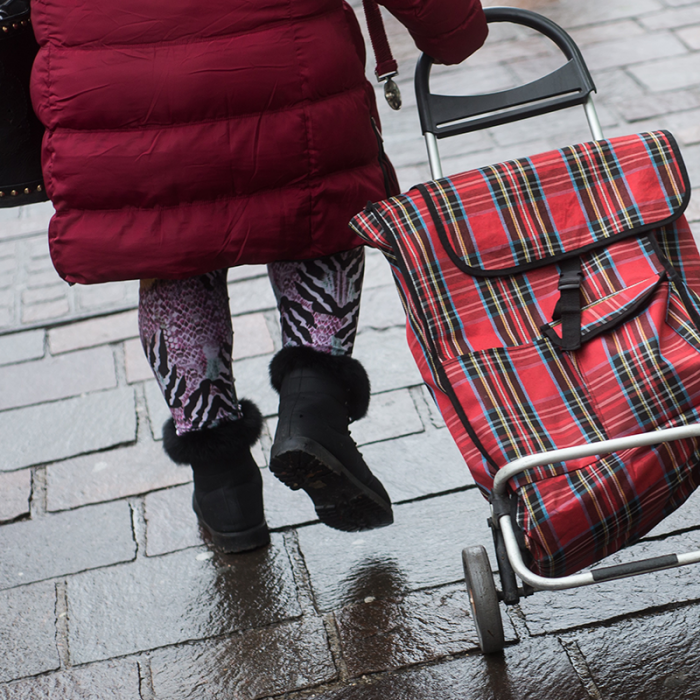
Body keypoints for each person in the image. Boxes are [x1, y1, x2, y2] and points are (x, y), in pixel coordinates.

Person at [30, 0, 487, 552]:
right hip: (283, 54)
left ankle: (224, 486)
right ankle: (313, 409)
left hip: (114, 75)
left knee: (172, 251)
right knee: (313, 216)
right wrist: (452, 28)